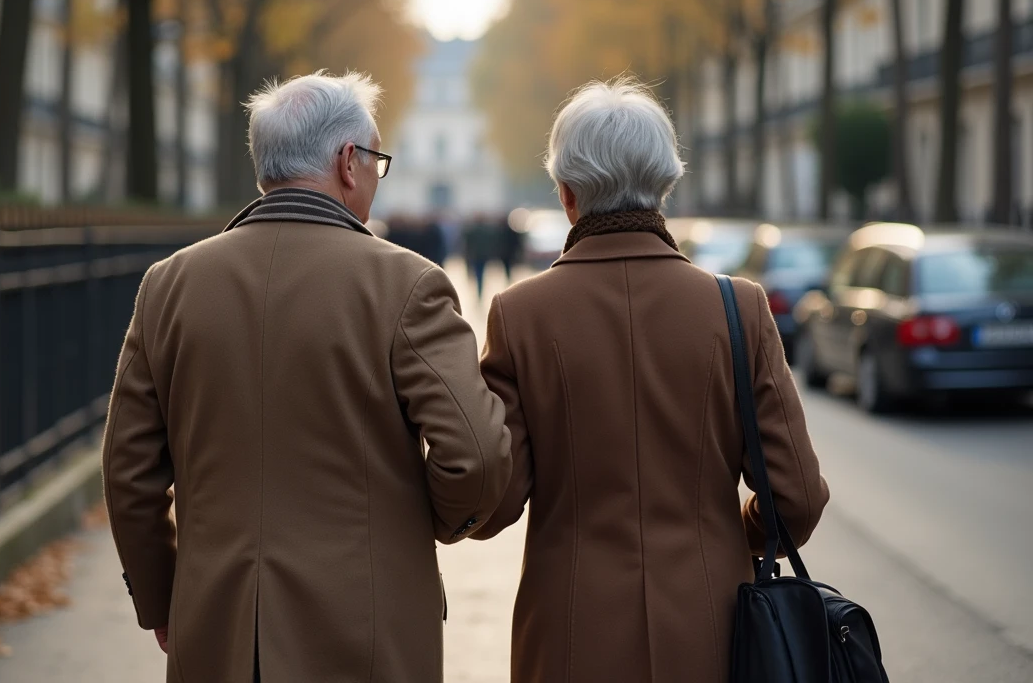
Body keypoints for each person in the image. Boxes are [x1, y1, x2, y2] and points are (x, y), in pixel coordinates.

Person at [103, 71, 512, 683]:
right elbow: (476, 456)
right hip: (367, 630)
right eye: (376, 161)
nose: (376, 176)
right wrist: (424, 526)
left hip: (217, 628)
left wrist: (162, 599)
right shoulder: (406, 284)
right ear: (348, 162)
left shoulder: (169, 285)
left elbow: (128, 471)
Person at [472, 79, 829, 682]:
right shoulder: (738, 308)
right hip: (716, 624)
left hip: (570, 628)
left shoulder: (519, 315)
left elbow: (494, 504)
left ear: (567, 194)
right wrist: (728, 537)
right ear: (665, 185)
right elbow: (798, 498)